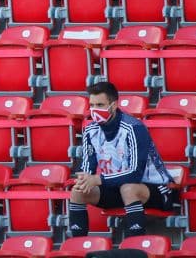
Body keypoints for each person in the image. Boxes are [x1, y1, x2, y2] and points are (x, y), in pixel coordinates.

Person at [68, 81, 175, 239]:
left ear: (113, 105)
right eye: (92, 105)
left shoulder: (134, 128)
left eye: (100, 104)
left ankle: (134, 246)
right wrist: (84, 179)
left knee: (129, 188)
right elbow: (88, 166)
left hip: (154, 189)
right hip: (115, 187)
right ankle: (77, 245)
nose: (94, 110)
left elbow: (135, 174)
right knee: (78, 191)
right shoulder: (90, 130)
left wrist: (98, 179)